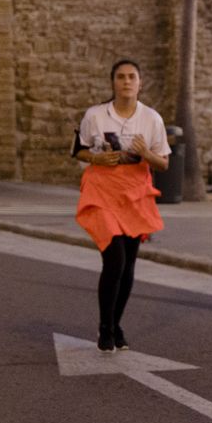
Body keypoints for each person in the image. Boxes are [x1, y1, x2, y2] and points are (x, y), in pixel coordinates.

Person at [72, 59, 170, 353]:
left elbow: (164, 163)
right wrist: (96, 158)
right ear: (112, 82)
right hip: (102, 190)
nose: (126, 82)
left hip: (134, 193)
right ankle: (105, 328)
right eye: (120, 77)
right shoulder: (95, 116)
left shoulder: (152, 119)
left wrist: (145, 154)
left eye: (132, 77)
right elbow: (78, 150)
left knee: (128, 264)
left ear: (141, 83)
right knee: (113, 259)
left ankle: (116, 324)